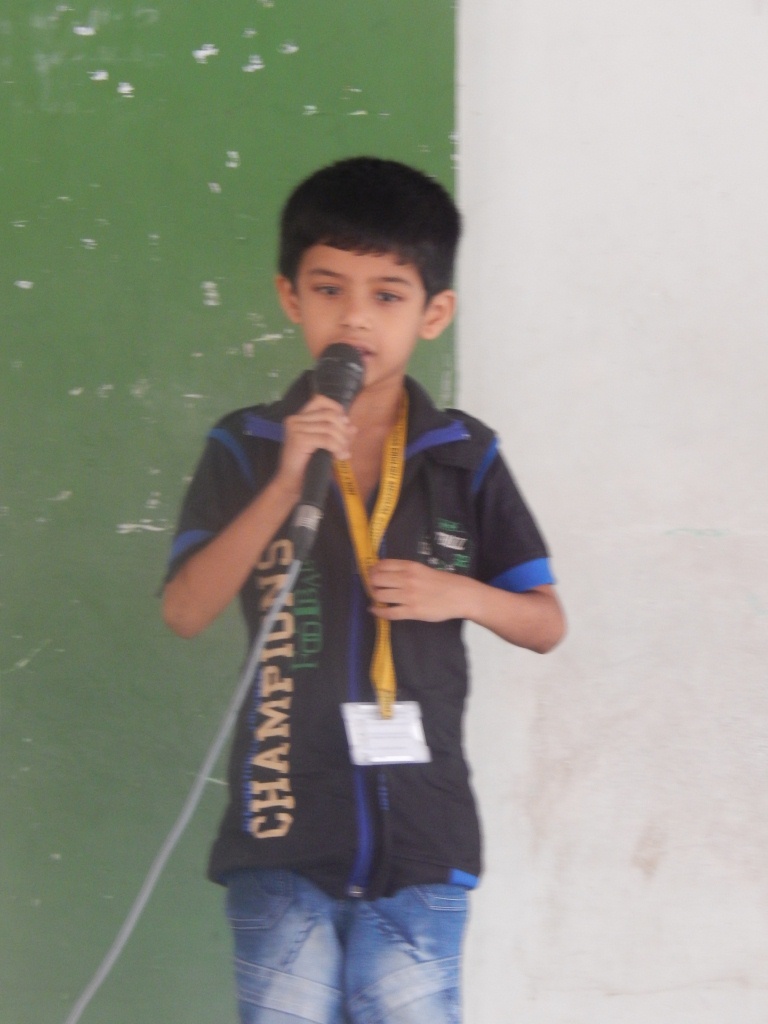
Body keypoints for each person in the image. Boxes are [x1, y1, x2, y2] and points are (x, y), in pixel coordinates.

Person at [162, 156, 565, 1024]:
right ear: (290, 298)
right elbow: (185, 610)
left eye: (387, 294)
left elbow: (545, 623)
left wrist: (460, 595)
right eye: (328, 289)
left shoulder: (465, 457)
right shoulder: (245, 446)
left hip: (420, 837)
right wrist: (284, 483)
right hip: (281, 832)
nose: (354, 317)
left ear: (434, 313)